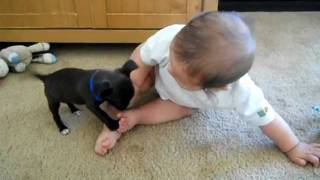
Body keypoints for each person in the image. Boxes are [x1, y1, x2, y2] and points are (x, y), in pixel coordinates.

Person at [95, 12, 320, 167]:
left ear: (217, 88)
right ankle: (114, 118)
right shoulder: (171, 37)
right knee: (131, 83)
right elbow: (142, 55)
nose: (170, 68)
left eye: (178, 73)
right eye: (172, 58)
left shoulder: (240, 91)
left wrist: (294, 146)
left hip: (181, 101)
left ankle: (134, 118)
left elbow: (268, 119)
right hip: (152, 73)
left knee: (181, 109)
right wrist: (135, 79)